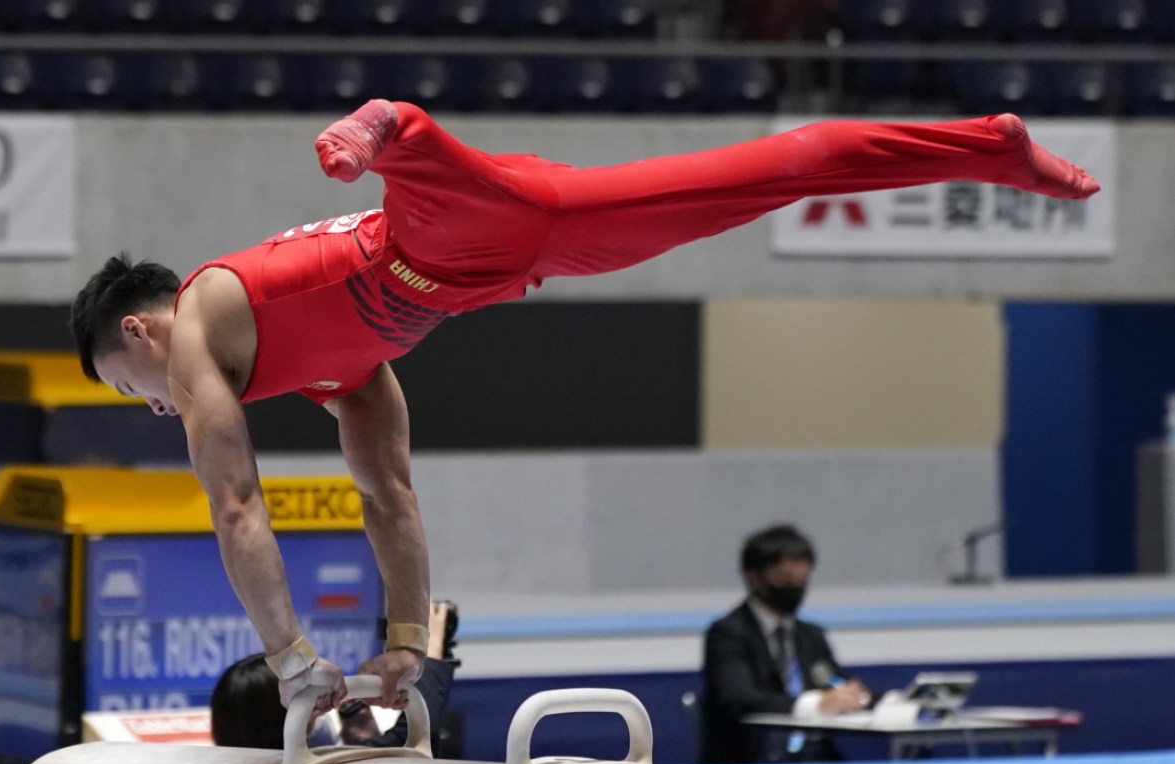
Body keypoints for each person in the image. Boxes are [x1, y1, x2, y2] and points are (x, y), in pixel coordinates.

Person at [70, 98, 1099, 712]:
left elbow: (237, 507)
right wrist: (406, 644)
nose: (159, 409)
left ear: (140, 335)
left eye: (134, 393)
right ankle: (988, 143)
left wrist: (289, 657)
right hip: (530, 248)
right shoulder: (330, 373)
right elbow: (390, 500)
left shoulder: (203, 316)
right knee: (781, 173)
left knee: (423, 192)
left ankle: (390, 127)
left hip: (437, 230)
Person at [699, 524, 869, 764]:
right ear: (754, 577)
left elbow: (834, 680)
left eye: (803, 579)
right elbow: (740, 699)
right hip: (749, 762)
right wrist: (816, 704)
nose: (795, 588)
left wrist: (860, 696)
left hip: (815, 761)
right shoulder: (727, 634)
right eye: (786, 577)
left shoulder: (810, 635)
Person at [211, 599, 459, 754]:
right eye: (299, 689)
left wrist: (361, 740)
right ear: (278, 716)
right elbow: (410, 742)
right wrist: (429, 644)